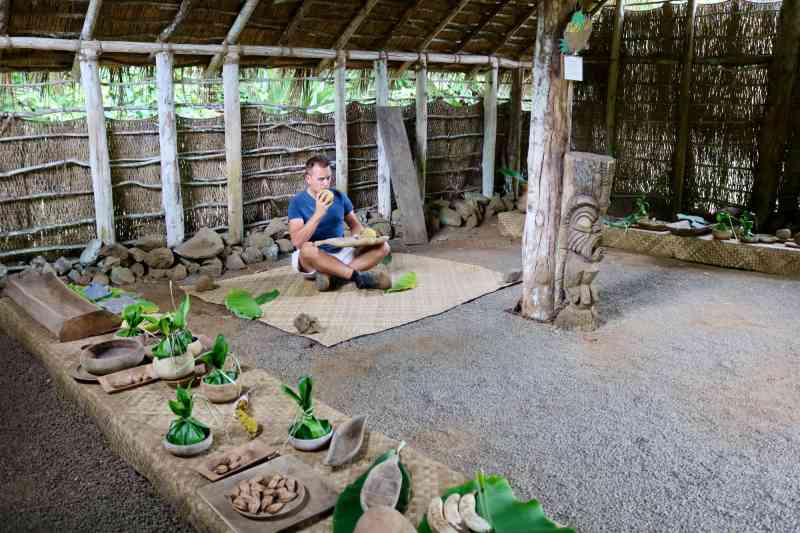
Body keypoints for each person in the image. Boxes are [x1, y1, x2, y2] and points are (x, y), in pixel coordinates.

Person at [288, 155, 391, 291]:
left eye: (328, 178)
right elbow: (297, 242)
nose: (326, 183)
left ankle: (334, 277)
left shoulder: (339, 196)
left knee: (383, 247)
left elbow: (355, 226)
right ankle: (357, 277)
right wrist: (318, 214)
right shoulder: (297, 202)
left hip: (340, 252)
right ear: (308, 179)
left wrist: (360, 238)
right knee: (306, 249)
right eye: (321, 179)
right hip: (314, 259)